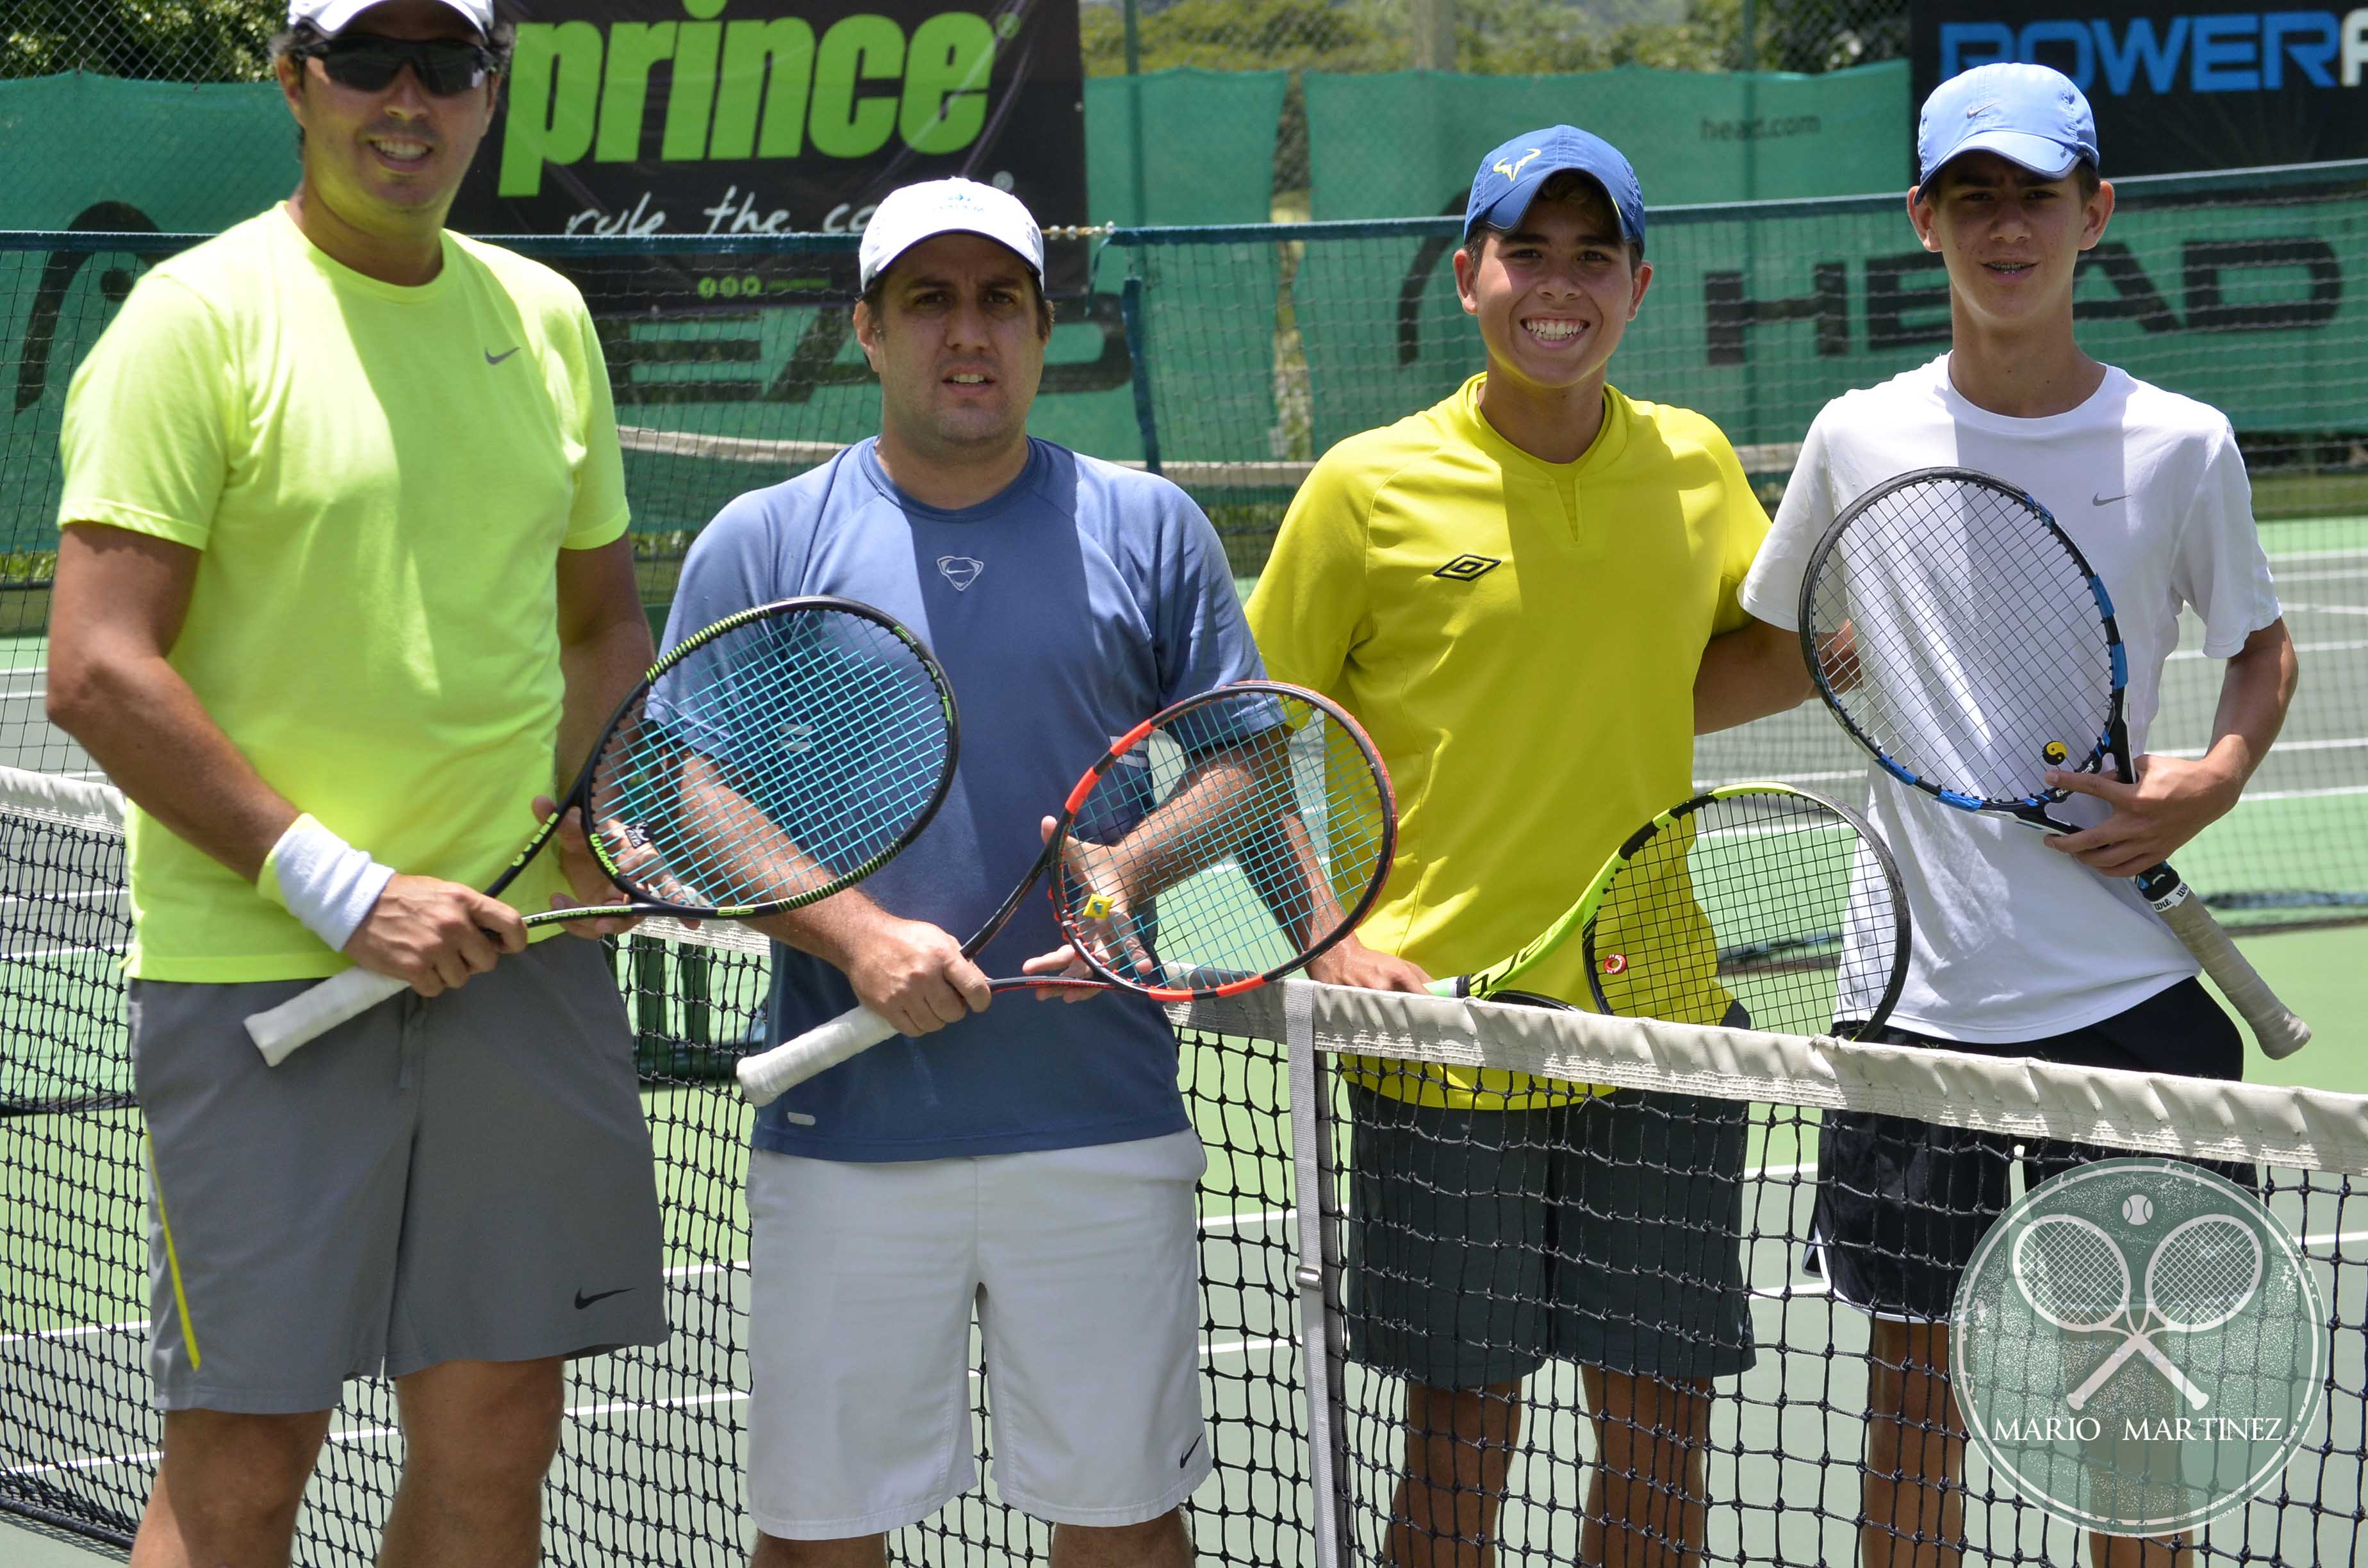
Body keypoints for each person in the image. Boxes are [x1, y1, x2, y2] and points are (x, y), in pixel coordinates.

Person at [44, 0, 670, 1562]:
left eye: (446, 64)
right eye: (368, 61)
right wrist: (347, 889)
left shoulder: (543, 317)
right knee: (244, 1466)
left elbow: (600, 619)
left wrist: (591, 810)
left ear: (489, 89)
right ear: (294, 81)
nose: (410, 98)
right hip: (266, 979)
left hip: (517, 977)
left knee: (496, 1449)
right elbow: (99, 669)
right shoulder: (194, 320)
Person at [1732, 63, 2299, 1568]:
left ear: (2094, 212)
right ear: (1924, 220)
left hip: (2131, 1005)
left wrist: (2217, 774)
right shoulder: (1855, 437)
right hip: (1915, 1009)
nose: (2005, 226)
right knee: (1914, 1411)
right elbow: (1775, 636)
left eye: (2034, 193)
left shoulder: (2184, 444)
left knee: (2133, 1418)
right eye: (1971, 196)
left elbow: (2260, 643)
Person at [662, 178, 1258, 1568]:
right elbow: (688, 788)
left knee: (1121, 1528)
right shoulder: (763, 543)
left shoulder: (1153, 526)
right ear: (866, 331)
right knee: (822, 1541)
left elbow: (1241, 764)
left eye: (1001, 300)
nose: (968, 333)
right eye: (929, 299)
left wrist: (1128, 866)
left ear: (1047, 333)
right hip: (846, 1133)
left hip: (1100, 1127)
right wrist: (861, 934)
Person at [1245, 126, 1809, 1568]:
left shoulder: (1691, 466)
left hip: (1662, 1021)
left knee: (1662, 1427)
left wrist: (1851, 646)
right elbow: (1247, 747)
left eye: (1592, 256)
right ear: (1468, 276)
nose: (1559, 286)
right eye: (1526, 253)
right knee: (1462, 1436)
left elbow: (1757, 652)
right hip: (1442, 1039)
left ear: (1638, 282)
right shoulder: (1364, 490)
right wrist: (1331, 937)